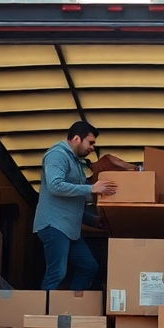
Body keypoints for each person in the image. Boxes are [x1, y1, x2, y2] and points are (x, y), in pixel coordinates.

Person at [34, 121, 117, 291]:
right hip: (54, 225)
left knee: (89, 267)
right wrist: (91, 188)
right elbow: (55, 186)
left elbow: (73, 203)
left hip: (68, 229)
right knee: (56, 273)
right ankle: (45, 308)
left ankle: (71, 303)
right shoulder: (57, 155)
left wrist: (94, 221)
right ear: (77, 139)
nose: (92, 148)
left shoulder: (76, 162)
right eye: (91, 142)